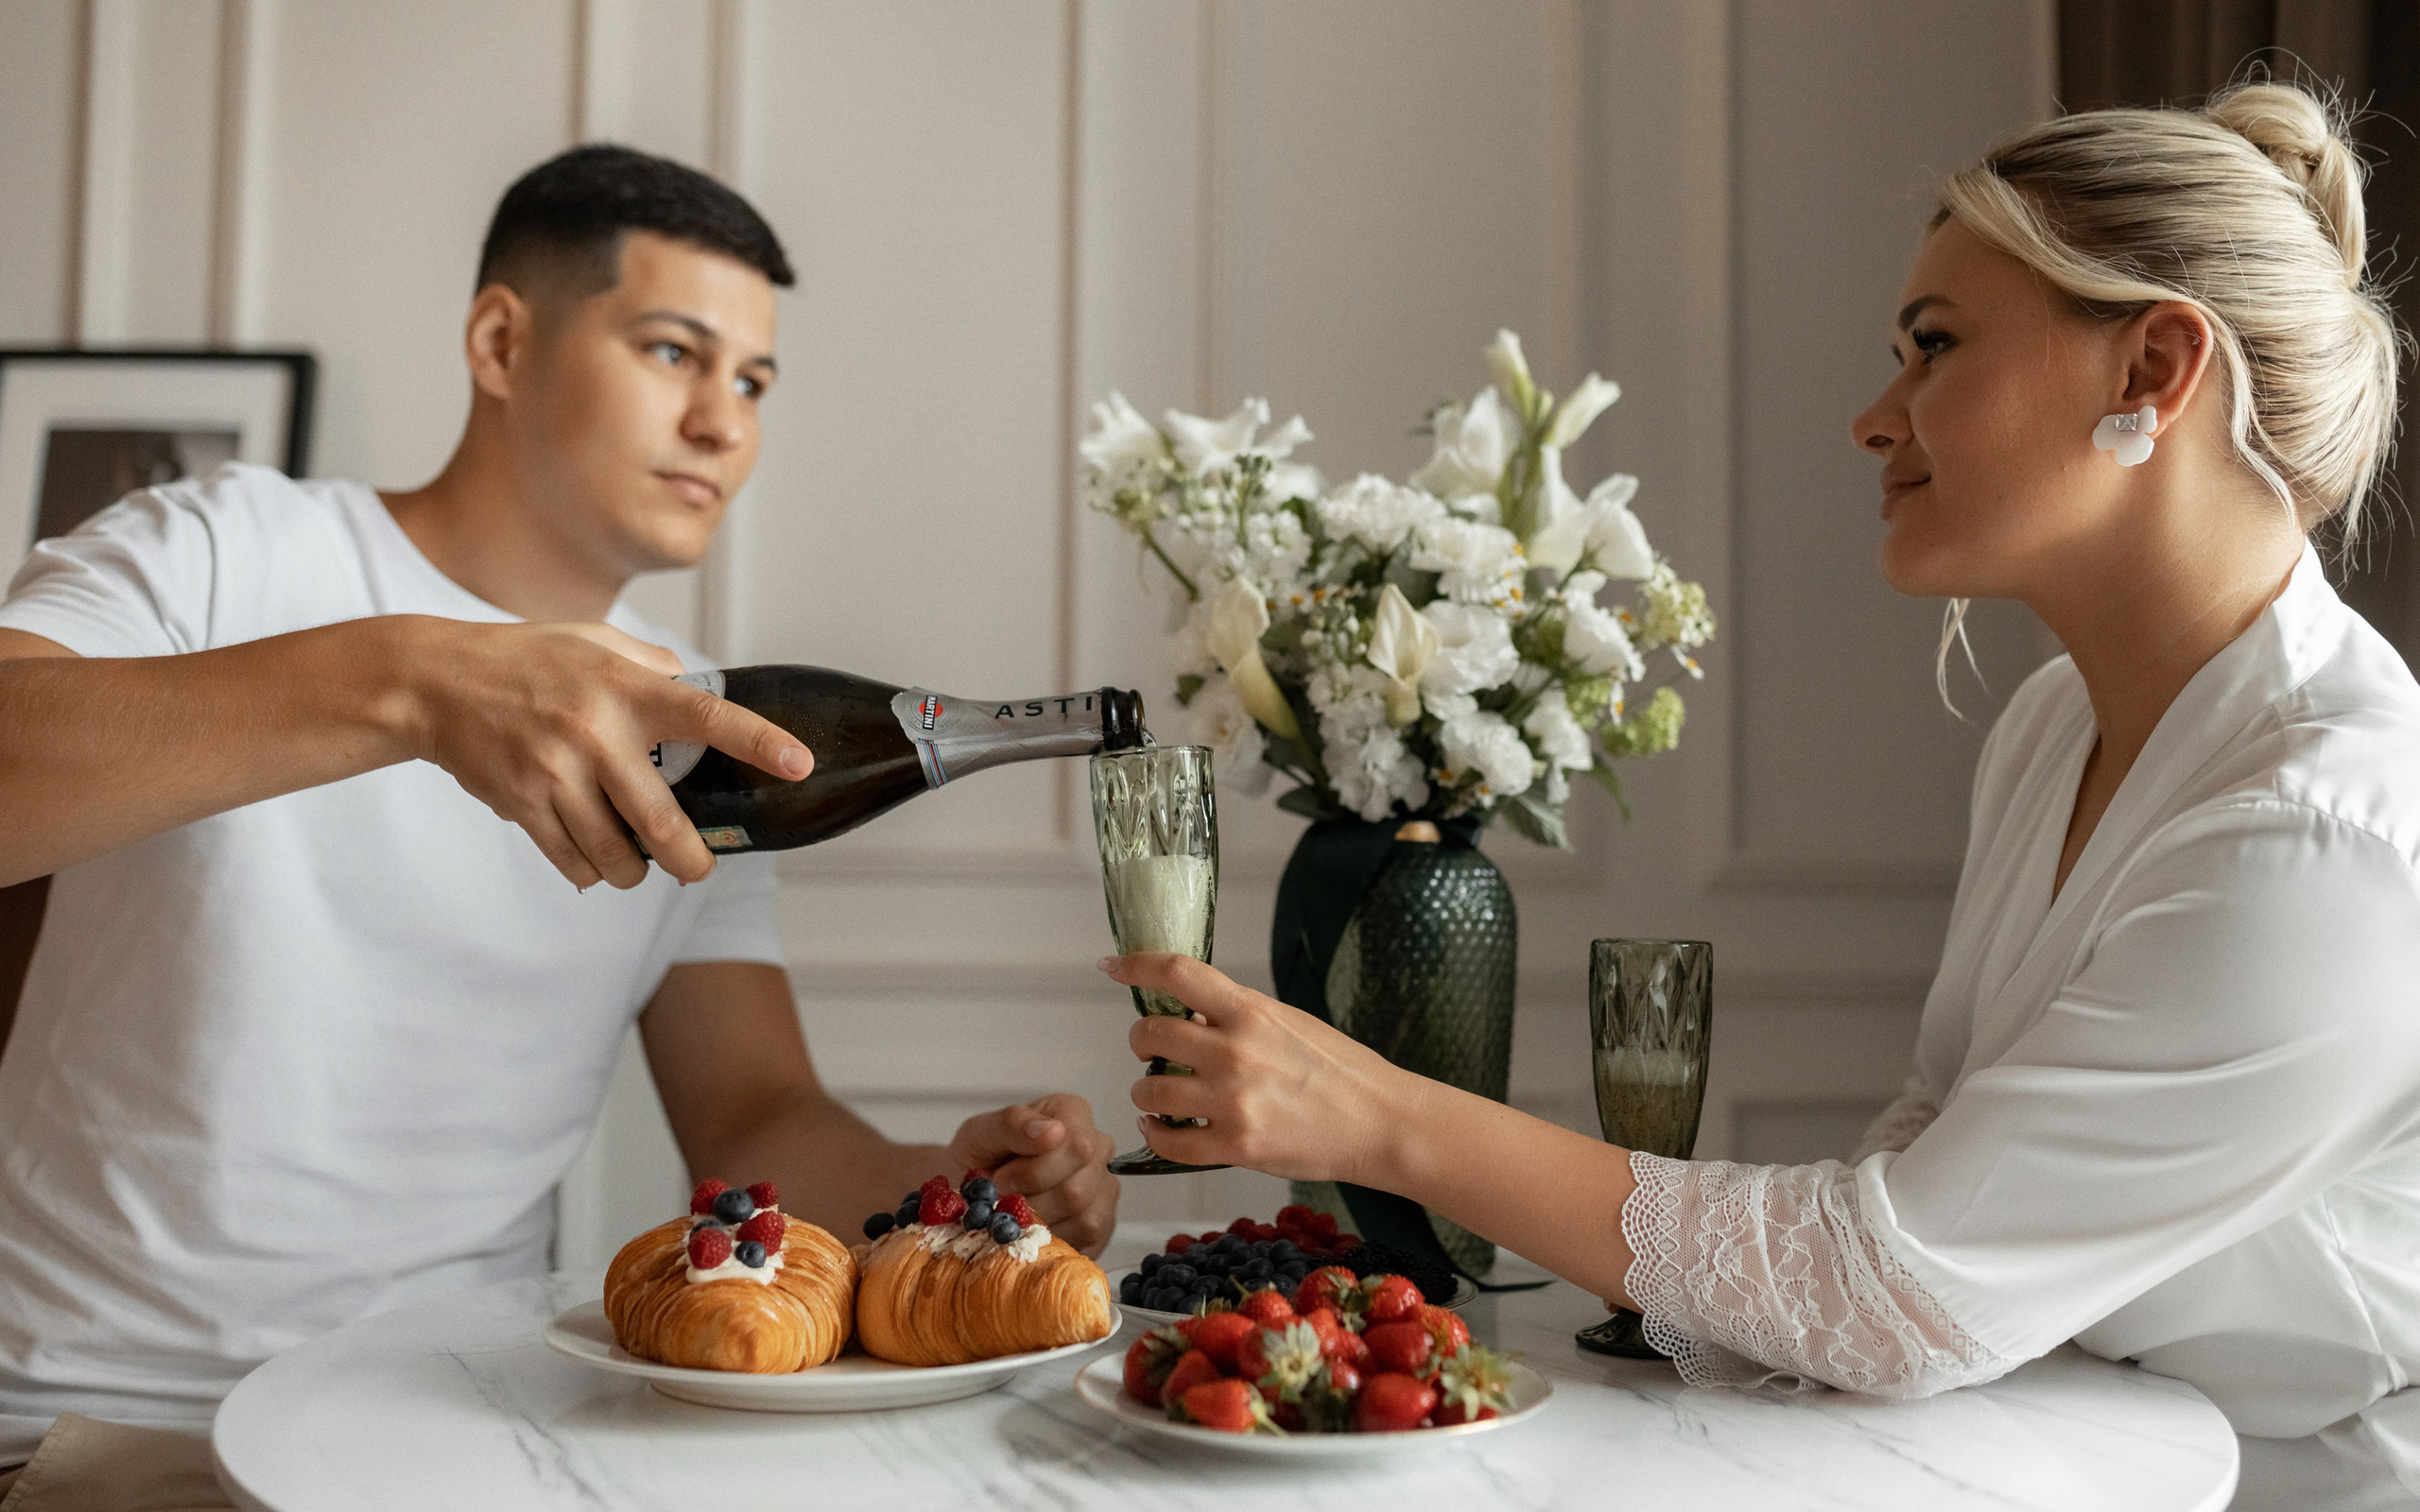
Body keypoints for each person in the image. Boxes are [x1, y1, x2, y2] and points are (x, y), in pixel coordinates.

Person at [1103, 80, 2419, 1509]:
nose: (1874, 418)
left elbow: (1894, 1280)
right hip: (2065, 1444)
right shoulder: (2056, 729)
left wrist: (1375, 1114)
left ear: (2152, 371)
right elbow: (1932, 1147)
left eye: (1934, 348)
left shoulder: (2321, 831)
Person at [0, 145, 1118, 1495]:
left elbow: (757, 1122)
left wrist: (945, 1191)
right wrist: (417, 680)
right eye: (673, 352)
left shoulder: (705, 731)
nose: (725, 423)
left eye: (755, 382)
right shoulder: (224, 548)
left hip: (473, 1434)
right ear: (499, 340)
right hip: (106, 1430)